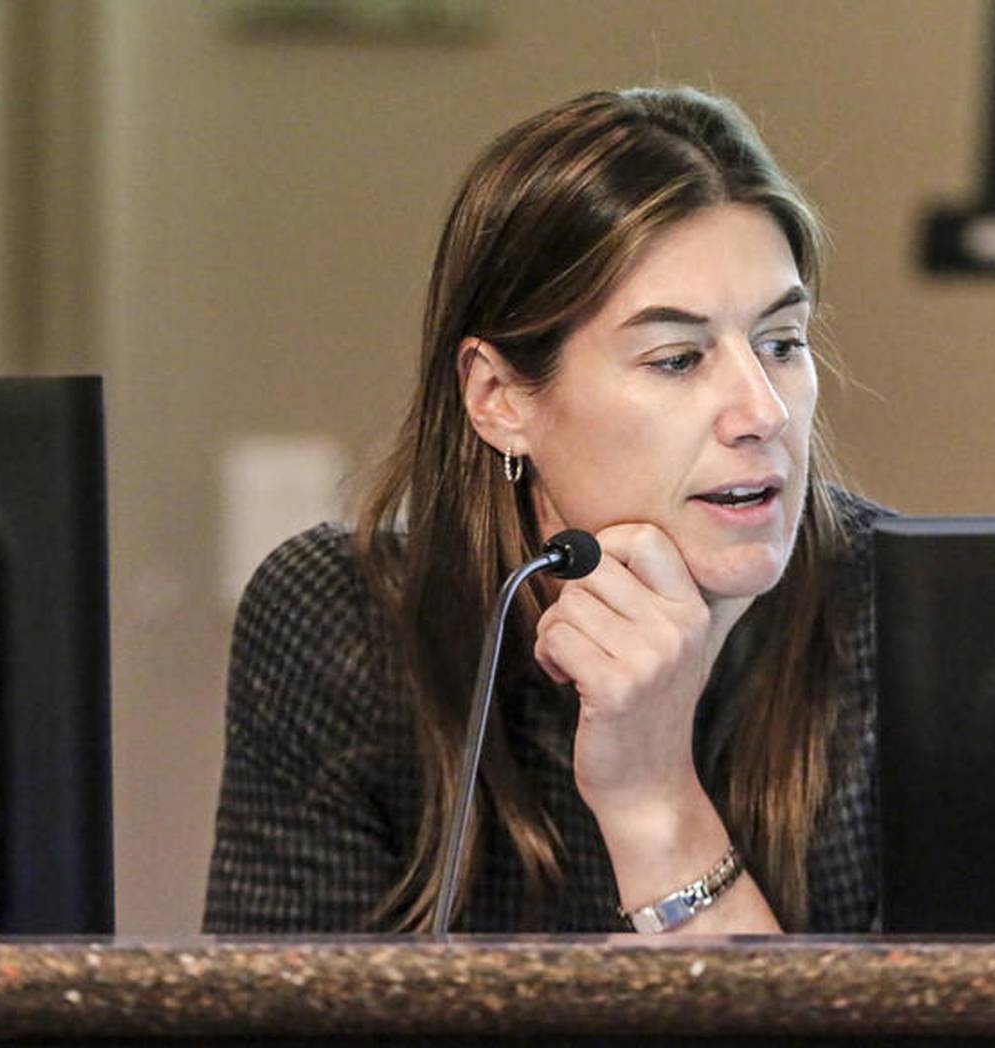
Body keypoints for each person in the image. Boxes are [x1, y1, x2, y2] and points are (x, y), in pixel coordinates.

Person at [203, 86, 890, 935]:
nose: (763, 412)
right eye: (677, 359)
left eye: (782, 345)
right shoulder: (349, 621)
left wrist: (653, 803)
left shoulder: (897, 620)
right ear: (498, 398)